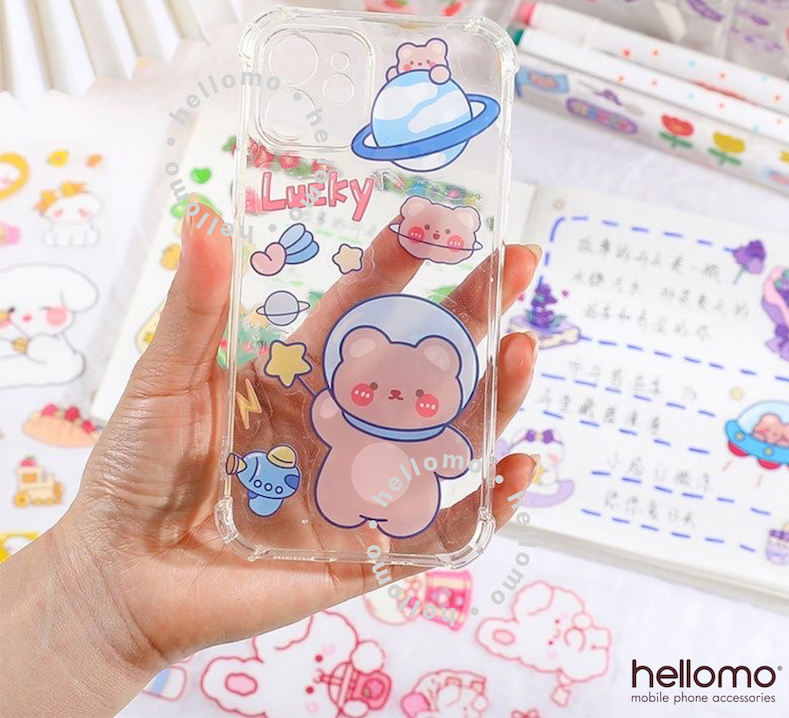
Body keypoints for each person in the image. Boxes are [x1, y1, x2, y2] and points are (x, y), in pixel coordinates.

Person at [0, 201, 540, 717]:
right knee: (343, 494)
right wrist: (100, 599)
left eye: (418, 393)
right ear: (355, 359)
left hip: (407, 493)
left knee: (404, 500)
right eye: (373, 386)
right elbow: (335, 420)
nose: (394, 396)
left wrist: (100, 608)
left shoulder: (411, 427)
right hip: (335, 491)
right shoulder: (336, 411)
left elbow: (447, 455)